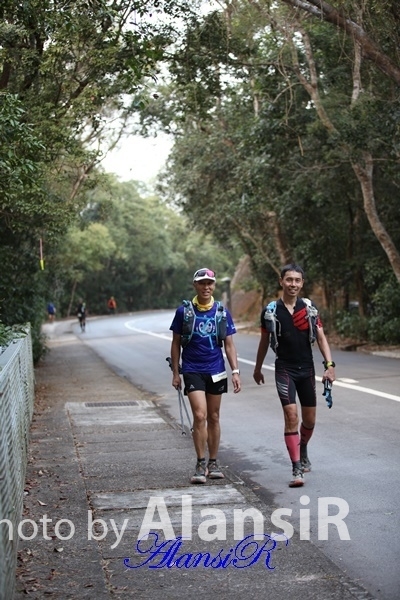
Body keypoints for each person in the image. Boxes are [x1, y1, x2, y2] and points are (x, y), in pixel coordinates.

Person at [253, 264, 336, 488]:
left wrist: (329, 365)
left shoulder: (309, 308)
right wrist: (258, 368)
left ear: (302, 283)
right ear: (281, 281)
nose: (293, 284)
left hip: (306, 369)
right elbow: (264, 341)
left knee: (309, 420)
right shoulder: (271, 311)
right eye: (289, 280)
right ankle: (296, 467)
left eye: (297, 280)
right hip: (284, 369)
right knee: (291, 416)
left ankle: (303, 446)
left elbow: (321, 337)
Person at [170, 268, 242, 484]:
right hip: (192, 369)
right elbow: (175, 343)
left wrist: (235, 371)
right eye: (202, 283)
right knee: (200, 415)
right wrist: (176, 373)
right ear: (195, 285)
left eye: (210, 283)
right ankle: (200, 463)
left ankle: (213, 462)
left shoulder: (221, 312)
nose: (206, 287)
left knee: (214, 416)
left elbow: (229, 345)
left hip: (216, 370)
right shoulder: (184, 312)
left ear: (214, 285)